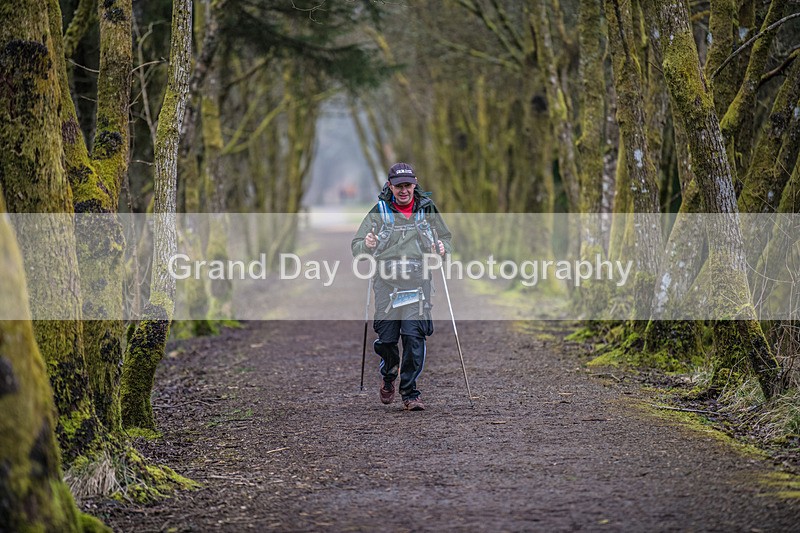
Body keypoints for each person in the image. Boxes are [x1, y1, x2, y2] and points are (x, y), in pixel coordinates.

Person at [352, 162, 452, 411]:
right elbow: (356, 247)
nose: (404, 190)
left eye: (407, 185)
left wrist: (442, 249)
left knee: (413, 338)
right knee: (387, 341)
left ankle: (410, 393)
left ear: (415, 183)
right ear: (390, 186)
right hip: (386, 285)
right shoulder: (379, 211)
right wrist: (367, 244)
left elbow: (446, 238)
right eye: (398, 186)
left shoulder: (427, 209)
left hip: (419, 283)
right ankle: (389, 373)